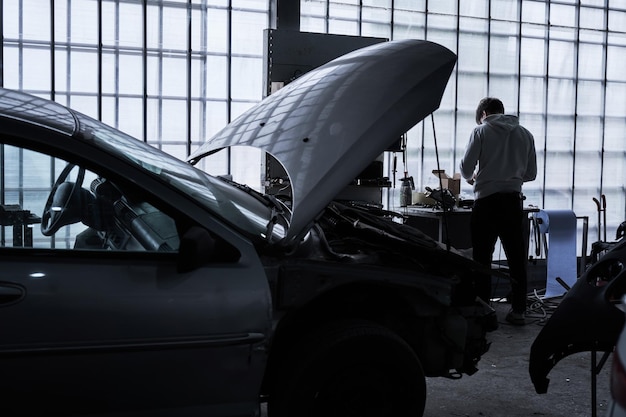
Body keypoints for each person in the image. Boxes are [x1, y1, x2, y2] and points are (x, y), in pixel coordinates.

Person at [460, 97, 537, 326]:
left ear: (483, 113)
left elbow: (465, 168)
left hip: (486, 202)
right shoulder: (525, 134)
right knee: (516, 257)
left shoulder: (481, 131)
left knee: (482, 258)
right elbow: (531, 174)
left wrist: (474, 177)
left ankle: (484, 311)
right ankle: (519, 311)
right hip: (513, 202)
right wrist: (510, 177)